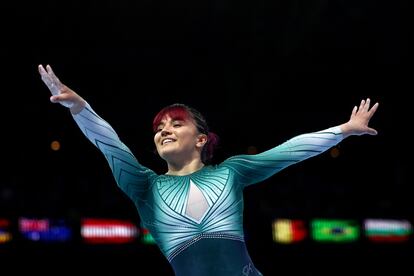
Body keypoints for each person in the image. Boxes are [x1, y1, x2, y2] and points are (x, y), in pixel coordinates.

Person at [38, 64, 379, 276]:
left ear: (201, 139)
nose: (164, 130)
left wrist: (343, 130)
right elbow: (109, 144)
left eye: (175, 123)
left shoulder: (230, 173)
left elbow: (288, 152)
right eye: (159, 128)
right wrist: (81, 109)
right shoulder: (144, 187)